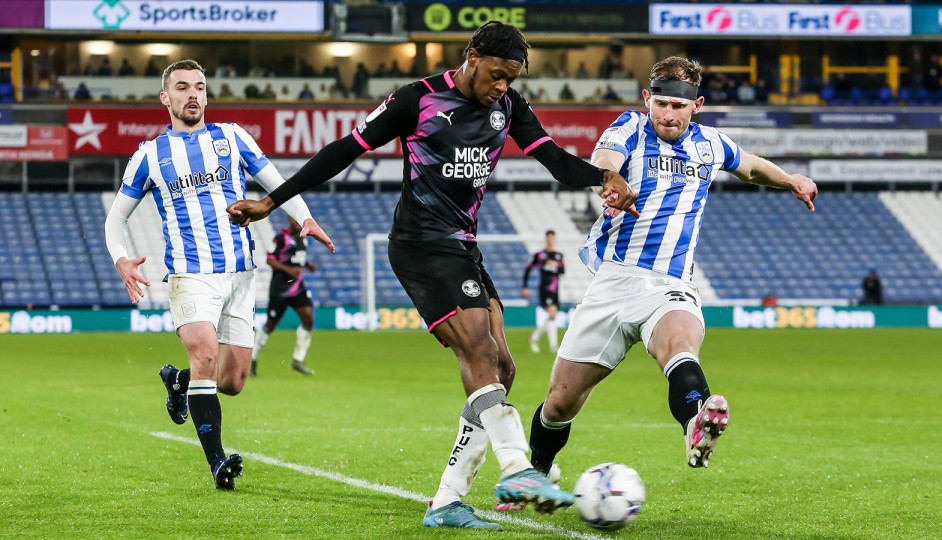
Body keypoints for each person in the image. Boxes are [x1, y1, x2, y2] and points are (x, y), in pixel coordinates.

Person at [226, 21, 639, 529]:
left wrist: (604, 177)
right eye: (496, 74)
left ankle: (446, 500)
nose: (502, 87)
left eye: (510, 79)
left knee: (503, 370)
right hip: (420, 245)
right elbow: (343, 151)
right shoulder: (416, 99)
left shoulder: (508, 108)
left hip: (463, 246)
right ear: (471, 55)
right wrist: (273, 201)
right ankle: (516, 468)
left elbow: (553, 160)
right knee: (480, 353)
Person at [525, 56, 818, 488]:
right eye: (661, 103)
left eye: (678, 107)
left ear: (695, 105)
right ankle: (535, 473)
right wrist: (610, 178)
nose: (667, 114)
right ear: (647, 98)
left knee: (679, 345)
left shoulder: (710, 145)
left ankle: (696, 422)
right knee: (560, 403)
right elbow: (605, 155)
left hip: (669, 284)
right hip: (614, 280)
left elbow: (751, 166)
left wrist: (790, 178)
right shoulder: (629, 127)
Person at [103, 59, 333, 491]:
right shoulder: (149, 155)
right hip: (191, 275)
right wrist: (121, 258)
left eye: (200, 87)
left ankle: (179, 380)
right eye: (183, 88)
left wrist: (304, 218)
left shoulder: (232, 137)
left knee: (231, 380)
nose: (193, 95)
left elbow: (276, 183)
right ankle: (217, 464)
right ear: (165, 98)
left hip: (241, 276)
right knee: (206, 354)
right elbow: (116, 219)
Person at [251, 216, 318, 377]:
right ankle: (252, 358)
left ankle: (298, 360)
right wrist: (289, 270)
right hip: (280, 289)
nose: (297, 223)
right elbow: (270, 260)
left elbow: (298, 258)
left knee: (308, 320)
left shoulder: (304, 238)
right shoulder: (281, 238)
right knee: (270, 325)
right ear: (288, 220)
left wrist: (308, 265)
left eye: (299, 221)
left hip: (298, 288)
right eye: (294, 221)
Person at [522, 230, 565, 354]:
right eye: (549, 238)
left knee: (553, 316)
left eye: (552, 238)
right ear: (546, 240)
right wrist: (525, 287)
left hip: (555, 289)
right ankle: (553, 346)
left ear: (555, 240)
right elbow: (528, 270)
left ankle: (534, 338)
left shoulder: (559, 255)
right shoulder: (540, 255)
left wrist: (556, 265)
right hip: (545, 288)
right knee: (552, 313)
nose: (550, 240)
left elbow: (562, 271)